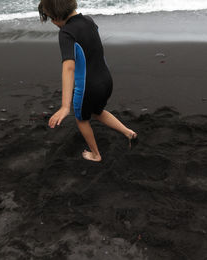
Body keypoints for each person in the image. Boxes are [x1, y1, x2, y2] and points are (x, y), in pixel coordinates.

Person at [38, 0, 137, 162]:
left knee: (81, 119)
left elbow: (68, 67)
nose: (53, 23)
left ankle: (96, 154)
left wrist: (64, 106)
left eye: (51, 18)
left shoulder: (66, 33)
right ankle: (129, 133)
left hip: (88, 88)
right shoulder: (89, 21)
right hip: (106, 80)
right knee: (96, 112)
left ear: (57, 15)